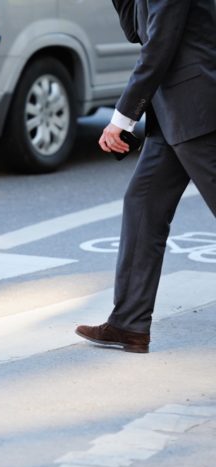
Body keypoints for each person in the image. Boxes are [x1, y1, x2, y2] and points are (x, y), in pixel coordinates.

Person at [75, 0, 216, 353]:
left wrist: (121, 118)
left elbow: (158, 46)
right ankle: (129, 323)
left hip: (199, 110)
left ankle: (129, 322)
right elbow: (136, 31)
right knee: (142, 204)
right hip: (174, 114)